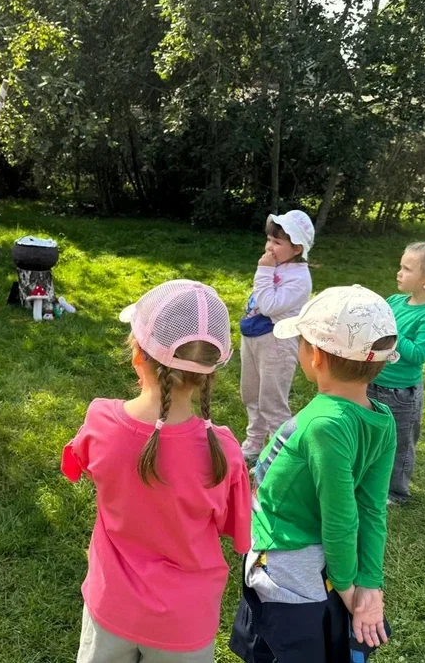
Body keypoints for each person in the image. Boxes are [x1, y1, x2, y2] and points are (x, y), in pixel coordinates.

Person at [62, 280, 251, 662]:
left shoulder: (100, 420)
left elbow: (79, 465)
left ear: (137, 355)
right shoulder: (225, 452)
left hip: (111, 608)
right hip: (185, 624)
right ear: (208, 375)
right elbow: (237, 529)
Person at [229, 285, 398, 663]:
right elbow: (372, 508)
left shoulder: (323, 424)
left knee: (282, 648)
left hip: (287, 565)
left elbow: (342, 517)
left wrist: (351, 589)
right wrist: (368, 581)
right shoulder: (382, 421)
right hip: (317, 565)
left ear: (316, 356)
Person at [368, 241, 425, 504]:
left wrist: (393, 331)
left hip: (401, 394)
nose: (399, 273)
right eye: (401, 266)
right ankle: (368, 479)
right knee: (371, 434)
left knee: (400, 443)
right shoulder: (395, 301)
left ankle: (396, 492)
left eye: (407, 269)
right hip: (373, 381)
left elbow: (418, 354)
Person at [239, 210, 314, 462]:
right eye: (269, 239)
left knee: (272, 401)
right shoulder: (279, 265)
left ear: (297, 248)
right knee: (251, 394)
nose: (269, 247)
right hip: (253, 337)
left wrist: (263, 271)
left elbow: (269, 305)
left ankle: (278, 456)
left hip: (276, 344)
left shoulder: (299, 278)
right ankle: (254, 441)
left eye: (277, 242)